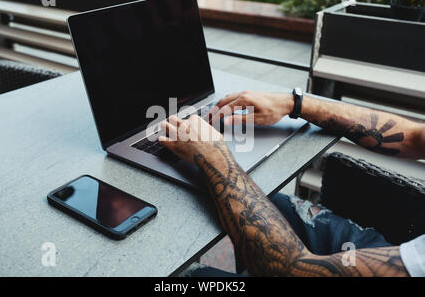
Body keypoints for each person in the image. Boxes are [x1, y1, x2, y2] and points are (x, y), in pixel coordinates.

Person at [157, 90, 425, 277]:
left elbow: (290, 270)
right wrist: (294, 104)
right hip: (399, 250)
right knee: (267, 199)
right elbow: (414, 137)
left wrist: (214, 157)